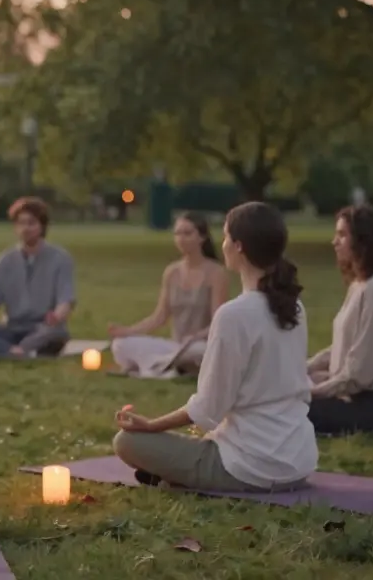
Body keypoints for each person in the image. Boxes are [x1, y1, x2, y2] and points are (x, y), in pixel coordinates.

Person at [111, 202, 317, 492]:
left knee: (127, 441)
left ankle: (175, 474)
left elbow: (208, 406)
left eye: (225, 237)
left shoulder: (234, 314)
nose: (223, 245)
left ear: (239, 246)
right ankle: (174, 473)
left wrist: (151, 425)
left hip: (251, 467)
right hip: (298, 462)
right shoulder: (295, 307)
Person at [307, 205, 373, 435]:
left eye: (343, 235)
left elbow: (359, 373)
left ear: (365, 241)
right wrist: (306, 368)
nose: (334, 242)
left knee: (287, 408)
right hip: (355, 397)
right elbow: (350, 346)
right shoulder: (359, 285)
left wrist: (310, 393)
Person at [108, 212, 228, 378]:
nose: (181, 239)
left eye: (187, 233)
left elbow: (219, 321)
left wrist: (195, 337)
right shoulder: (172, 272)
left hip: (200, 345)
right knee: (120, 345)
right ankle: (167, 369)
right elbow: (159, 317)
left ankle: (154, 369)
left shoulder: (216, 273)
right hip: (175, 347)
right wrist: (128, 331)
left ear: (202, 237)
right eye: (177, 233)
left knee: (197, 351)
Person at [0, 197, 76, 357]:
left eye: (31, 223)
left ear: (42, 226)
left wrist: (57, 316)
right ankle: (13, 351)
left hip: (44, 329)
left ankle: (9, 349)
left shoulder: (60, 258)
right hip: (12, 329)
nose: (25, 228)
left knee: (56, 333)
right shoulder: (5, 260)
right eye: (21, 223)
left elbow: (65, 300)